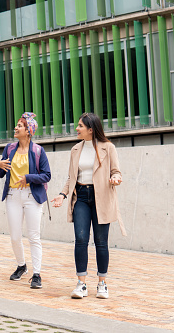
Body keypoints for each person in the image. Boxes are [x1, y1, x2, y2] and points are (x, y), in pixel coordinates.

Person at [52, 112, 126, 299]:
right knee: (81, 239)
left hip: (102, 197)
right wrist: (62, 194)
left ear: (91, 129)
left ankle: (102, 283)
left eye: (80, 126)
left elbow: (116, 171)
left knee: (101, 242)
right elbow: (71, 177)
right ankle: (81, 284)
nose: (76, 129)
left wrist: (116, 178)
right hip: (81, 197)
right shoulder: (75, 149)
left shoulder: (108, 148)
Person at [0, 113, 51, 289]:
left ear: (28, 131)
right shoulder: (9, 149)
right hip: (12, 196)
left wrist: (28, 178)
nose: (16, 128)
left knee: (34, 236)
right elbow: (1, 173)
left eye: (20, 125)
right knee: (15, 236)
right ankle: (21, 265)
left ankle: (37, 274)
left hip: (32, 196)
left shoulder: (38, 151)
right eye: (17, 125)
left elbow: (47, 175)